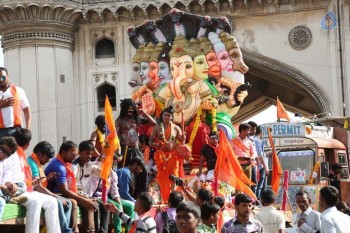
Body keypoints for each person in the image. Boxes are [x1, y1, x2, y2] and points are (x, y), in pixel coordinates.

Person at [0, 135, 61, 233]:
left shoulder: (14, 157)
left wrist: (11, 185)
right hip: (13, 190)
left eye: (7, 153)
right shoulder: (27, 160)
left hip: (19, 189)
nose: (2, 154)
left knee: (53, 202)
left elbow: (7, 180)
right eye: (1, 149)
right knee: (33, 199)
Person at [45, 141, 98, 233]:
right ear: (64, 153)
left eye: (76, 155)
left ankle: (90, 231)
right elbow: (65, 191)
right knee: (74, 202)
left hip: (63, 193)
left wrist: (86, 199)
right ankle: (73, 231)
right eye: (73, 155)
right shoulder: (59, 166)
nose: (75, 157)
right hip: (53, 194)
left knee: (90, 202)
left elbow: (70, 189)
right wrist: (85, 201)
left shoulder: (66, 164)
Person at [27, 141, 73, 233]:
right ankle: (66, 231)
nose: (47, 161)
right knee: (58, 202)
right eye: (46, 158)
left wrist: (47, 178)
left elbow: (38, 181)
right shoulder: (31, 163)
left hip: (39, 191)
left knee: (69, 202)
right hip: (33, 192)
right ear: (39, 154)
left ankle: (65, 229)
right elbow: (37, 187)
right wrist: (56, 196)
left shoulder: (36, 161)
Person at [115, 99, 154, 198]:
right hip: (125, 150)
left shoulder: (137, 119)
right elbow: (114, 137)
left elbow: (154, 123)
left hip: (136, 150)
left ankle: (141, 195)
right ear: (123, 109)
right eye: (128, 110)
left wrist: (144, 113)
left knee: (143, 171)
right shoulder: (119, 120)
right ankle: (125, 195)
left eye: (132, 110)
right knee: (125, 173)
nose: (130, 112)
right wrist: (116, 153)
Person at [72, 140, 110, 233]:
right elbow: (71, 189)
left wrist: (107, 156)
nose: (89, 156)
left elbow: (103, 173)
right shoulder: (74, 167)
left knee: (104, 207)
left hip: (85, 195)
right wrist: (86, 199)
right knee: (91, 206)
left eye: (91, 154)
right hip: (75, 194)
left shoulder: (89, 165)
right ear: (79, 153)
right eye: (86, 153)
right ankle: (91, 230)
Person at [149, 106, 185, 201]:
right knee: (162, 178)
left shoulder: (176, 128)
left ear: (172, 117)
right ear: (162, 116)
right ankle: (165, 198)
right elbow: (150, 141)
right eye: (165, 115)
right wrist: (156, 145)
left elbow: (182, 142)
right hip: (161, 156)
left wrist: (183, 138)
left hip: (173, 156)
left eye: (169, 115)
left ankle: (173, 197)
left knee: (174, 175)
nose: (167, 117)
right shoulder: (157, 128)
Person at [0, 67, 32, 138]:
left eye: (3, 77)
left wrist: (28, 128)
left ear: (8, 77)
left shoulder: (18, 91)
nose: (0, 80)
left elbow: (27, 110)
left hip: (16, 130)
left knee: (18, 149)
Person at [253, 126, 269, 200]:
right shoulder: (258, 141)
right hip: (260, 166)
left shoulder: (250, 139)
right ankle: (258, 201)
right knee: (259, 186)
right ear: (261, 133)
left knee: (255, 185)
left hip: (253, 165)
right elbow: (260, 154)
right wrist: (266, 167)